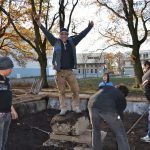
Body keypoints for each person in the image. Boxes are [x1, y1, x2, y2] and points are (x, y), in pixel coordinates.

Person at [33, 14, 94, 115]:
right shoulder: (55, 42)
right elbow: (46, 33)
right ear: (60, 35)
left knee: (76, 90)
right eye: (62, 34)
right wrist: (39, 23)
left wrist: (89, 27)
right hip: (59, 72)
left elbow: (82, 35)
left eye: (65, 34)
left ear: (68, 35)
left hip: (70, 72)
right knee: (61, 92)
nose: (64, 36)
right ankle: (63, 108)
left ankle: (76, 106)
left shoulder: (72, 42)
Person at [88, 85, 130, 150]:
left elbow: (99, 92)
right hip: (107, 108)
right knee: (120, 133)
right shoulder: (122, 98)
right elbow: (119, 115)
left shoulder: (107, 87)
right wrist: (119, 124)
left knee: (95, 130)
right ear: (124, 94)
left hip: (92, 104)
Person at [0, 57, 18, 150]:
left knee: (4, 137)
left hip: (7, 114)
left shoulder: (8, 81)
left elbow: (8, 97)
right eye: (11, 68)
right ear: (6, 68)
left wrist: (12, 110)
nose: (11, 70)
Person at [141, 60, 150, 142]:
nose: (143, 68)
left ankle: (149, 137)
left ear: (147, 65)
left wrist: (148, 80)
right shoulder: (146, 74)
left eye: (143, 66)